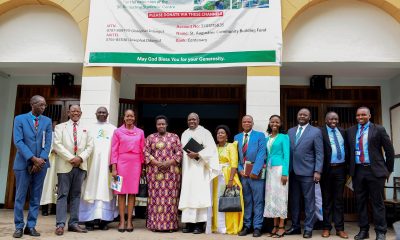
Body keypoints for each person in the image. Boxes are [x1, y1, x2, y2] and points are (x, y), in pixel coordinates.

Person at [346, 107, 394, 240]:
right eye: (357, 115)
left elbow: (389, 151)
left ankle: (380, 231)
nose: (360, 117)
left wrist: (388, 170)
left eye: (363, 115)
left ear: (369, 116)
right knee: (360, 202)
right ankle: (363, 230)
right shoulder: (350, 131)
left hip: (375, 171)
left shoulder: (378, 129)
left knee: (377, 202)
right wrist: (349, 170)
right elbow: (348, 152)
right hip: (358, 171)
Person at [12, 95, 52, 238]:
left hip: (41, 164)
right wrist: (32, 159)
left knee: (36, 197)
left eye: (45, 105)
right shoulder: (19, 119)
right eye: (41, 105)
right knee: (20, 197)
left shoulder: (47, 121)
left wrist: (40, 160)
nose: (43, 107)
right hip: (23, 164)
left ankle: (31, 226)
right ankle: (18, 227)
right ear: (32, 104)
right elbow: (18, 141)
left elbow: (47, 142)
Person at [53, 105, 94, 236]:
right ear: (68, 113)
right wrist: (72, 158)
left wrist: (80, 158)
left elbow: (90, 146)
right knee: (62, 195)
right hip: (65, 165)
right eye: (73, 111)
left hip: (80, 166)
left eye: (78, 111)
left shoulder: (87, 129)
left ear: (81, 113)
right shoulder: (60, 127)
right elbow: (57, 145)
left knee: (76, 195)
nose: (76, 113)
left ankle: (73, 223)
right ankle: (60, 224)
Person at [178, 112, 219, 234]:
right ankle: (189, 224)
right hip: (188, 169)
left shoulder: (205, 132)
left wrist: (198, 154)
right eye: (190, 119)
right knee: (188, 195)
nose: (192, 121)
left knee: (199, 196)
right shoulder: (184, 133)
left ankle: (199, 225)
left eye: (194, 119)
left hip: (201, 170)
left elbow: (211, 149)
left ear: (198, 120)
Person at [286, 108, 323, 239]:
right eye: (300, 114)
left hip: (308, 172)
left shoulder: (315, 131)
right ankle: (295, 226)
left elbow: (319, 153)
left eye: (305, 115)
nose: (302, 116)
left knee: (309, 201)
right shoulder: (290, 131)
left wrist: (317, 171)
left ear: (309, 117)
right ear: (297, 116)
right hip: (292, 172)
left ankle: (308, 228)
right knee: (294, 201)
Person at [79, 107, 117, 230]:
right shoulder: (89, 128)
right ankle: (89, 220)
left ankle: (104, 220)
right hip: (91, 165)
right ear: (95, 114)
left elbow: (116, 148)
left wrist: (114, 164)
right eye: (99, 112)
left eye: (104, 112)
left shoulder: (113, 129)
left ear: (107, 114)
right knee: (90, 189)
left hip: (107, 166)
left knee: (105, 190)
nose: (101, 114)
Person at [144, 115, 183, 232]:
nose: (161, 126)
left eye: (163, 124)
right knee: (155, 199)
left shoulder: (174, 137)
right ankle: (154, 225)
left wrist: (168, 163)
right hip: (154, 174)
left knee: (170, 199)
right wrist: (157, 163)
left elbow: (180, 152)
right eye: (158, 124)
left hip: (171, 174)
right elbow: (145, 152)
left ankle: (170, 226)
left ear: (166, 125)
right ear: (156, 125)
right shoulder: (150, 138)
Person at [110, 109, 145, 233]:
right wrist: (114, 167)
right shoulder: (117, 132)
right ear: (124, 118)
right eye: (127, 116)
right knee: (120, 193)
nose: (129, 118)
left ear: (134, 118)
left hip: (135, 164)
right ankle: (121, 221)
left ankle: (129, 220)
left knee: (132, 193)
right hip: (121, 163)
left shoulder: (140, 132)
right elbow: (114, 150)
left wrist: (142, 167)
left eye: (132, 116)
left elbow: (142, 150)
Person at [234, 115, 266, 238]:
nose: (247, 123)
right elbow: (236, 156)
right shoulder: (237, 137)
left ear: (252, 123)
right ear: (242, 123)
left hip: (256, 175)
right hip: (244, 175)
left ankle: (257, 227)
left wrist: (255, 170)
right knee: (247, 201)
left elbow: (262, 154)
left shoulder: (260, 135)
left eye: (249, 121)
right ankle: (247, 226)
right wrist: (240, 169)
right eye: (244, 121)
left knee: (258, 201)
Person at [320, 112, 348, 239]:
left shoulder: (342, 131)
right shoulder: (320, 132)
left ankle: (340, 229)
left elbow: (347, 148)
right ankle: (326, 227)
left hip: (340, 170)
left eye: (336, 118)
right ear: (326, 120)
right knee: (326, 200)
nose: (333, 120)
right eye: (331, 118)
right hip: (326, 170)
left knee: (339, 200)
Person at [212, 125, 244, 234]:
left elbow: (234, 163)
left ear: (227, 136)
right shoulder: (214, 147)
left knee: (229, 200)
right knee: (217, 201)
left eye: (222, 133)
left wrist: (230, 179)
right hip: (216, 177)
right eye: (218, 133)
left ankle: (229, 226)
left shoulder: (231, 146)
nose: (220, 134)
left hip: (227, 176)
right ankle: (217, 226)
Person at [263, 115, 289, 238]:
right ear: (269, 123)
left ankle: (282, 226)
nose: (274, 123)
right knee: (272, 198)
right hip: (270, 170)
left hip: (279, 170)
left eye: (277, 122)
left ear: (280, 123)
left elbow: (286, 156)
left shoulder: (284, 137)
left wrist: (285, 173)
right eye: (272, 121)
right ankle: (274, 225)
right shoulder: (267, 138)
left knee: (281, 197)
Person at [40, 120, 59, 216]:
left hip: (58, 164)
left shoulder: (61, 135)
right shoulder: (46, 134)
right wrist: (51, 150)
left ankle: (54, 209)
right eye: (54, 124)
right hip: (48, 163)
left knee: (57, 186)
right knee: (46, 185)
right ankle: (44, 208)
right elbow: (42, 147)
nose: (55, 126)